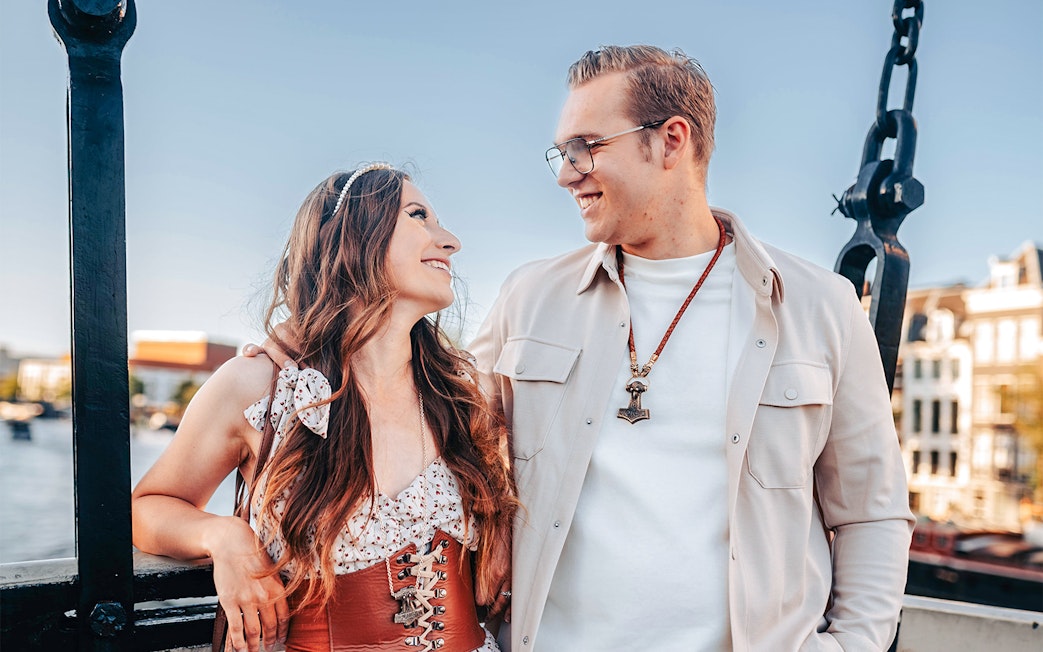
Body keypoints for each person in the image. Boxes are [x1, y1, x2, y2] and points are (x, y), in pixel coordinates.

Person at [467, 45, 915, 651]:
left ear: (672, 140)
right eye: (562, 152)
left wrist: (851, 646)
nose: (566, 172)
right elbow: (436, 437)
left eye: (587, 147)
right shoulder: (529, 296)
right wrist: (292, 352)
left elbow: (871, 512)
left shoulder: (821, 307)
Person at [132, 164, 517, 652]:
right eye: (419, 215)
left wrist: (501, 523)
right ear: (354, 236)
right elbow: (148, 507)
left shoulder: (462, 396)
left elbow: (509, 490)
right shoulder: (259, 386)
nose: (451, 241)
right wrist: (224, 537)